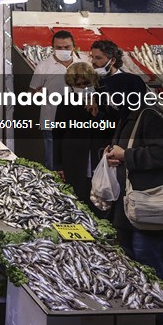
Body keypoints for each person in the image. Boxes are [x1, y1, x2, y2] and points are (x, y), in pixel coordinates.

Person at [105, 79, 163, 325]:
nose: (108, 100)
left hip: (149, 206)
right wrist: (112, 153)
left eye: (112, 95)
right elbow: (126, 148)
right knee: (133, 264)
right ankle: (141, 319)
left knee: (151, 265)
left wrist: (126, 156)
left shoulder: (149, 115)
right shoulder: (127, 115)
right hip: (129, 206)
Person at [52, 62, 111, 212]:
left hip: (98, 157)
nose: (83, 87)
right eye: (78, 85)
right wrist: (58, 165)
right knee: (77, 197)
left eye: (86, 83)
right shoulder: (66, 102)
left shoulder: (104, 101)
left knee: (99, 198)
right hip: (74, 158)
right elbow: (58, 134)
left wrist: (97, 115)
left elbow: (111, 129)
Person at [29, 30, 87, 169]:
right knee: (53, 162)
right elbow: (31, 94)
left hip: (78, 123)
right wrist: (38, 94)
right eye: (59, 48)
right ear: (52, 47)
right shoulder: (43, 66)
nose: (63, 50)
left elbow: (90, 92)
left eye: (66, 47)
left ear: (74, 46)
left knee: (76, 162)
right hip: (51, 122)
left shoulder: (83, 66)